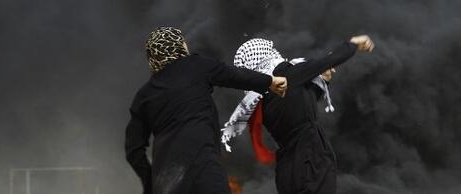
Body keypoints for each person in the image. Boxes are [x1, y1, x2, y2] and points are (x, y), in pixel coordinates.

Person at [125, 27, 288, 194]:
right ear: (181, 46)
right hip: (204, 168)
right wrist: (269, 81)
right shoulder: (196, 65)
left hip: (167, 181)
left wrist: (149, 182)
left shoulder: (144, 96)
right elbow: (233, 75)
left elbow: (133, 150)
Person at [222, 35, 374, 194]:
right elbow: (326, 62)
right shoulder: (286, 75)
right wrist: (352, 45)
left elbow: (298, 104)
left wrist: (324, 81)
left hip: (287, 170)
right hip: (310, 159)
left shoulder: (262, 98)